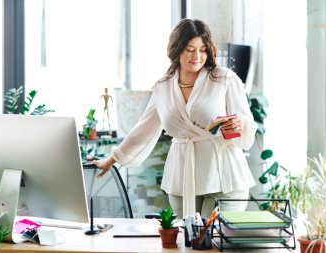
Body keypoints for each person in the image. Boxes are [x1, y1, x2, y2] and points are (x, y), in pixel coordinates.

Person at [93, 19, 257, 219]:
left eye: (203, 49)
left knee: (213, 241)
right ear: (177, 49)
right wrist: (112, 160)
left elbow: (247, 125)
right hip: (182, 175)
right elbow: (144, 129)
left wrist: (240, 124)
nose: (197, 56)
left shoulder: (224, 79)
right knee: (186, 242)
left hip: (225, 175)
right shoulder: (163, 87)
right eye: (190, 49)